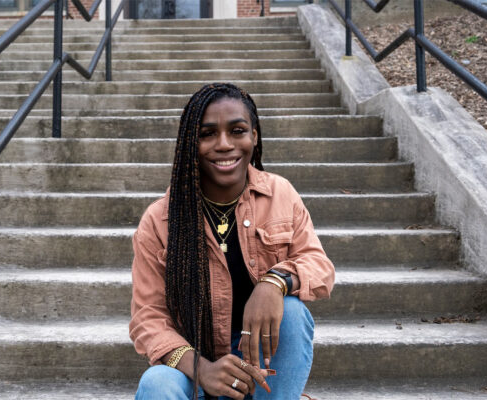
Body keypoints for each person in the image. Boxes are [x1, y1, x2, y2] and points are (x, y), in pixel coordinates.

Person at [130, 83, 335, 400]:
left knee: (292, 311)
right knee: (157, 383)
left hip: (262, 371)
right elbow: (148, 318)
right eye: (207, 134)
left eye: (237, 130)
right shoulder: (160, 221)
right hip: (198, 374)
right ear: (190, 143)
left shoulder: (280, 195)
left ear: (254, 136)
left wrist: (274, 282)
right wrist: (203, 370)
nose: (224, 144)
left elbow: (319, 267)